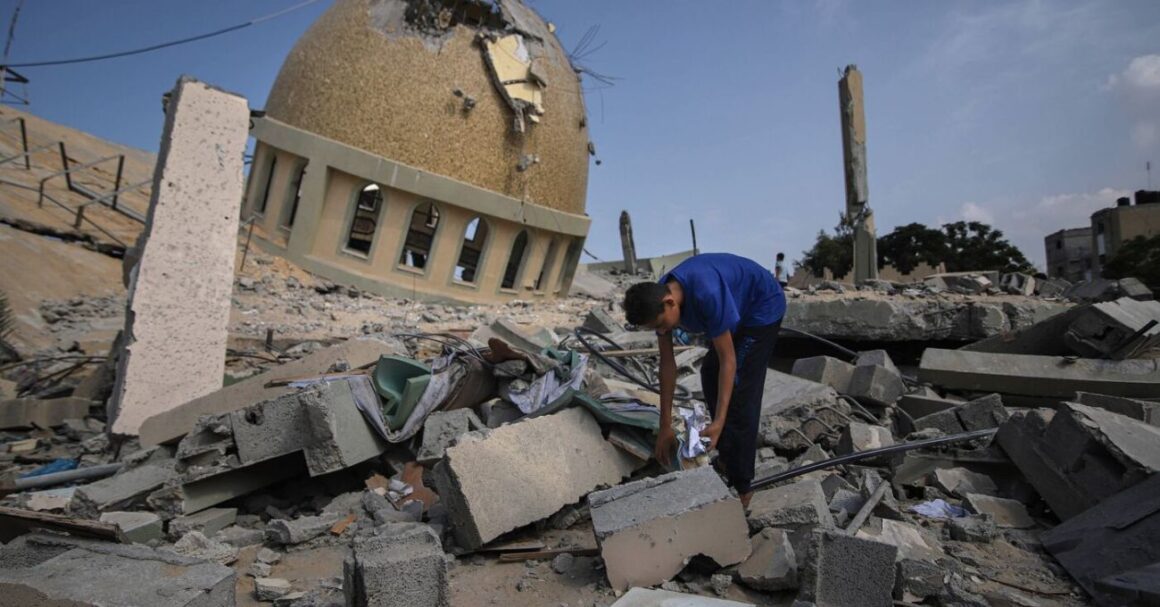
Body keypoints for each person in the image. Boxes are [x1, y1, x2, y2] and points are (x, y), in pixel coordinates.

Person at [623, 253, 786, 507]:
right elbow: (667, 366)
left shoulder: (705, 294)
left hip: (761, 306)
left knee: (741, 390)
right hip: (735, 303)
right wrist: (664, 425)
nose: (663, 331)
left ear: (670, 302)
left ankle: (743, 489)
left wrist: (720, 421)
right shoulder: (658, 301)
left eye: (662, 324)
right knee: (709, 373)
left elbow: (729, 360)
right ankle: (727, 455)